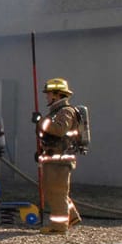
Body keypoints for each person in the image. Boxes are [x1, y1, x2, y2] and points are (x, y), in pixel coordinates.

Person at [34, 78, 83, 234]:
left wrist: (40, 120)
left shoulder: (66, 111)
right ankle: (72, 217)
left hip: (60, 160)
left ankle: (59, 226)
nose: (46, 97)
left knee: (57, 192)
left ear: (57, 95)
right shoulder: (56, 112)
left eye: (48, 94)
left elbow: (59, 130)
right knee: (53, 191)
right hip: (53, 158)